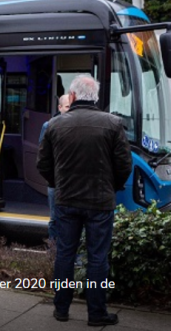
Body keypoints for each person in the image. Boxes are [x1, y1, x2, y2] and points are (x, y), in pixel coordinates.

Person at [37, 75, 132, 326]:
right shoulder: (113, 124)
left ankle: (61, 309)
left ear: (73, 96)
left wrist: (59, 185)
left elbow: (43, 165)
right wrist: (111, 187)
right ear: (96, 97)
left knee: (65, 255)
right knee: (98, 258)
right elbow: (124, 165)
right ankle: (97, 313)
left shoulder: (55, 125)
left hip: (66, 201)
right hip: (100, 203)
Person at [39, 94, 70, 241]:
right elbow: (43, 157)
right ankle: (52, 252)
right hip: (56, 182)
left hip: (70, 181)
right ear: (60, 108)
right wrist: (53, 180)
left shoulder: (74, 125)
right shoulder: (49, 126)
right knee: (55, 218)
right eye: (67, 107)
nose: (70, 110)